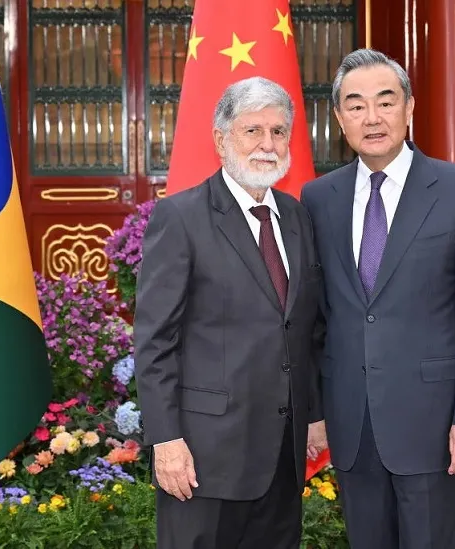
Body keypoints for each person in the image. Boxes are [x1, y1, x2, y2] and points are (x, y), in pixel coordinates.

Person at [299, 49, 455, 548]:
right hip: (351, 420)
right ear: (339, 119)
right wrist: (314, 410)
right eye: (356, 105)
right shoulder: (318, 198)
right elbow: (314, 319)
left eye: (385, 102)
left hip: (432, 422)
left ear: (409, 108)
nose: (372, 117)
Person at [133, 76, 327, 549]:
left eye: (279, 132)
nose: (267, 144)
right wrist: (166, 441)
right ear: (222, 139)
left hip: (283, 453)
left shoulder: (297, 217)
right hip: (204, 457)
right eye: (252, 130)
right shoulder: (181, 218)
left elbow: (305, 329)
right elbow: (155, 339)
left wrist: (315, 414)